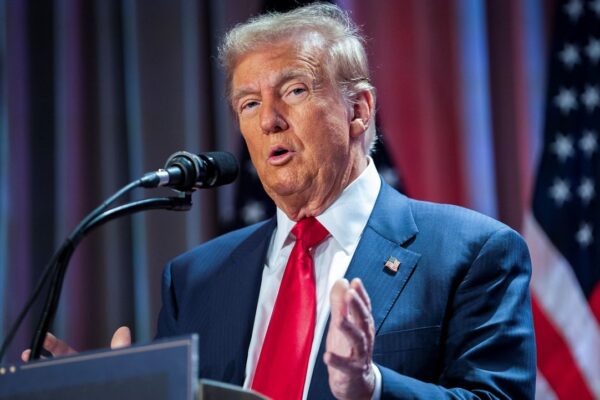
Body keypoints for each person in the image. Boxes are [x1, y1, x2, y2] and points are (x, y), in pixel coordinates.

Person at [24, 4, 536, 399]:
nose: (268, 119)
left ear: (358, 110)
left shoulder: (472, 253)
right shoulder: (194, 280)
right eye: (249, 103)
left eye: (293, 91)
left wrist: (372, 387)